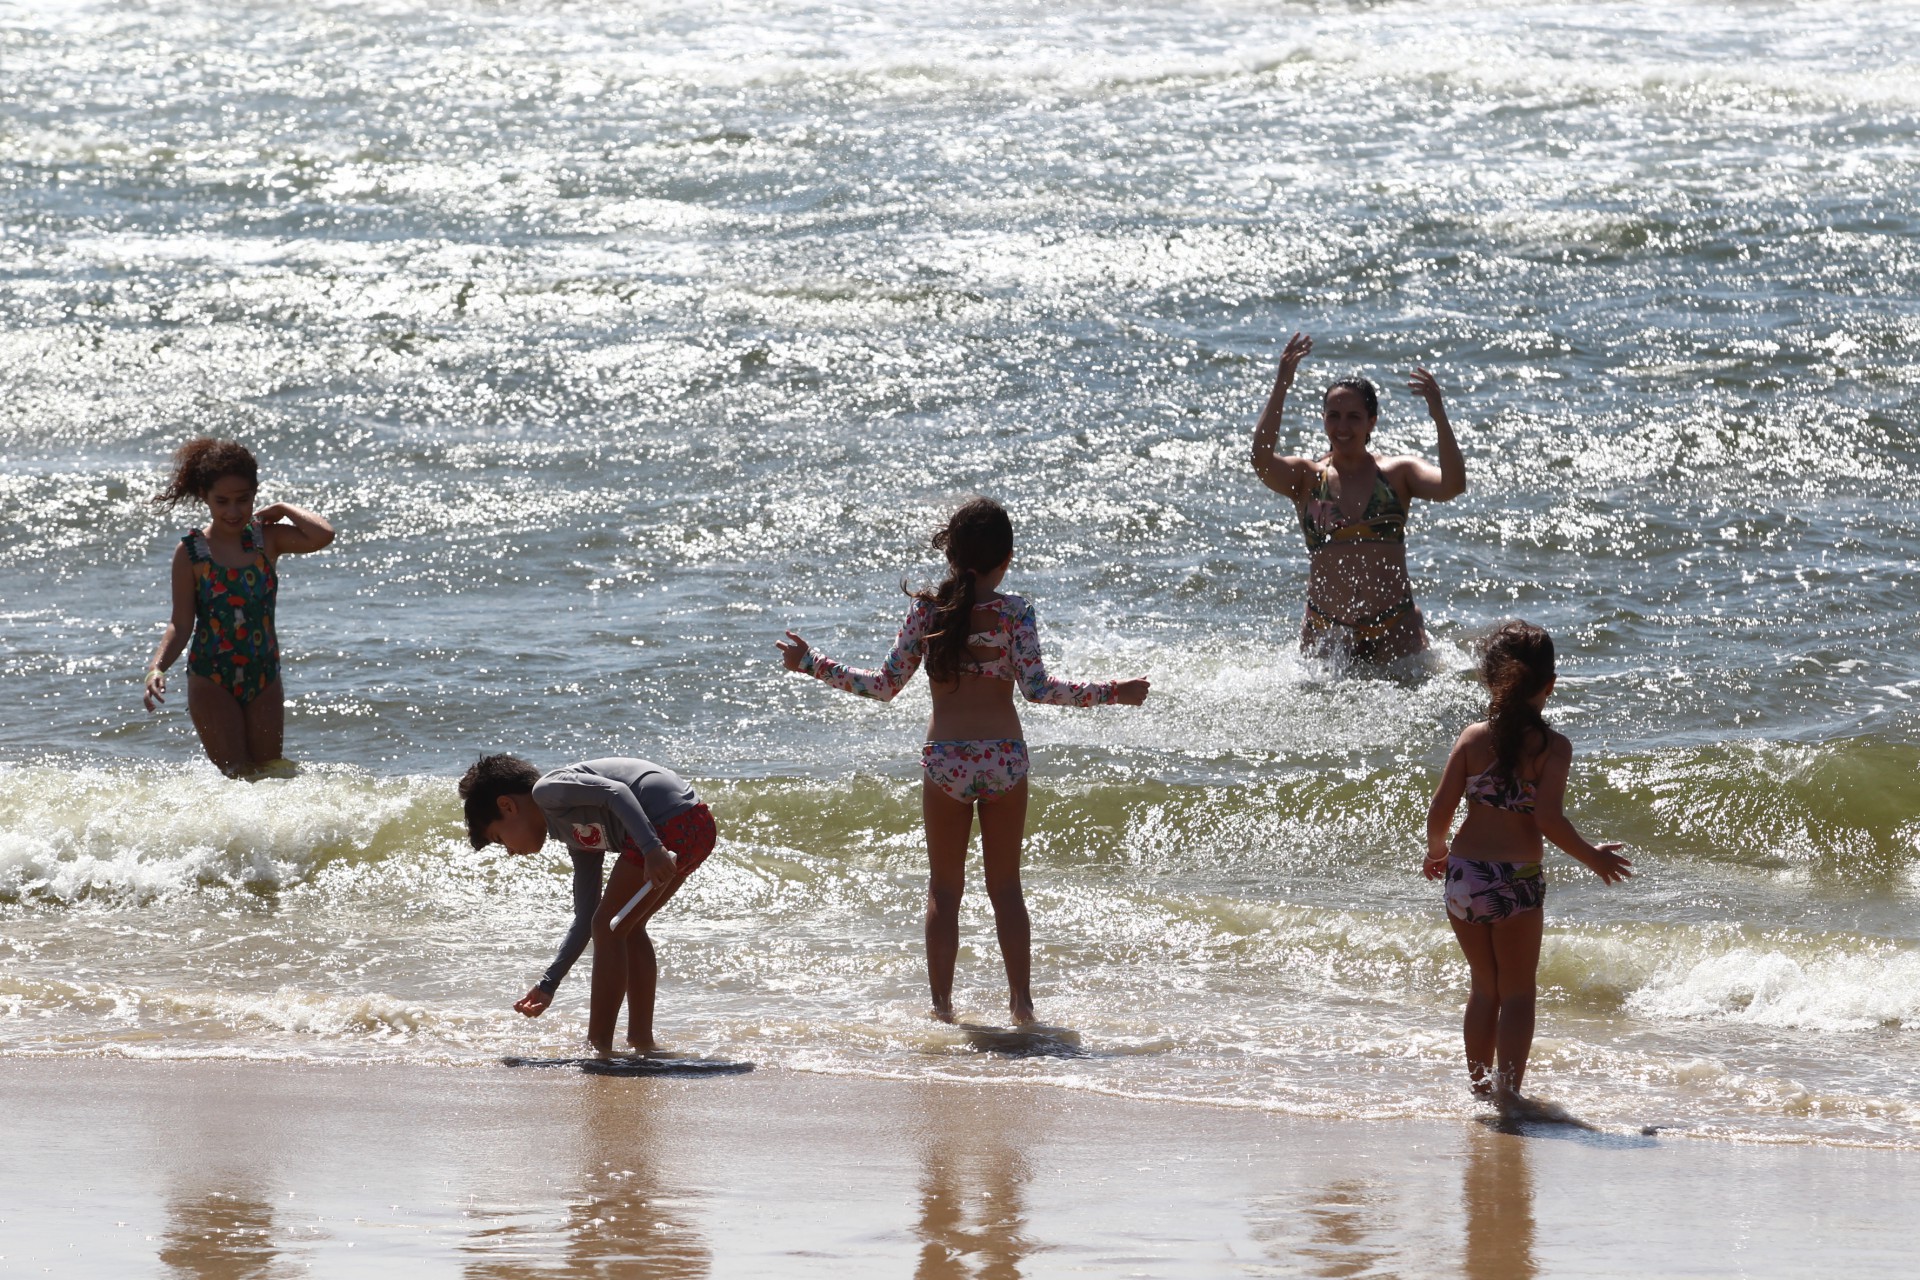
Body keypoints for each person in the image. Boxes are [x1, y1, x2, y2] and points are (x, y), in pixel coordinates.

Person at [777, 497, 1149, 1025]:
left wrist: (811, 663)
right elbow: (1040, 690)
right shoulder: (1015, 612)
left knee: (944, 889)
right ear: (1008, 556)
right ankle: (1021, 1005)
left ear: (952, 555)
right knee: (1006, 889)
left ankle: (942, 1008)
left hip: (946, 760)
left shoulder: (929, 612)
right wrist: (1116, 690)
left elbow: (883, 687)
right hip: (1004, 758)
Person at [1423, 621, 1632, 1101]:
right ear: (1550, 686)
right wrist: (1593, 857)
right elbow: (1548, 820)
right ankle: (1509, 1096)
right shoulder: (1552, 748)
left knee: (1483, 989)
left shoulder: (1472, 738)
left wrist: (1437, 853)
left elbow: (1440, 812)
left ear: (1490, 680)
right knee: (1517, 993)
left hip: (1463, 877)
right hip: (1515, 882)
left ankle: (1479, 1090)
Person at [462, 754, 717, 1056]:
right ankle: (642, 1043)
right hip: (696, 826)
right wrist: (548, 985)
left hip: (670, 822)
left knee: (609, 928)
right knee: (625, 927)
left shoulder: (547, 790)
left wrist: (651, 847)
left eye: (499, 838)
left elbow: (617, 793)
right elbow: (584, 919)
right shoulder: (576, 835)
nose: (510, 852)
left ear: (507, 806)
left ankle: (598, 1047)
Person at [1248, 332, 1467, 666]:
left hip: (1396, 626)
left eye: (1354, 417)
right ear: (1323, 420)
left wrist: (1438, 415)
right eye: (1333, 416)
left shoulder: (1399, 473)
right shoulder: (1307, 478)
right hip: (1326, 629)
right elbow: (1261, 459)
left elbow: (1453, 485)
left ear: (1371, 423)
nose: (1342, 426)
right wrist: (1282, 385)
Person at [141, 438, 334, 775]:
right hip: (212, 677)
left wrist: (285, 508)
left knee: (271, 773)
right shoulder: (191, 552)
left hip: (265, 675)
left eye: (243, 500)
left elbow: (323, 535)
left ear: (255, 494)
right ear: (205, 496)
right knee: (237, 774)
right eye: (222, 501)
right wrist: (157, 668)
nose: (233, 511)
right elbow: (181, 624)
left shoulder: (266, 539)